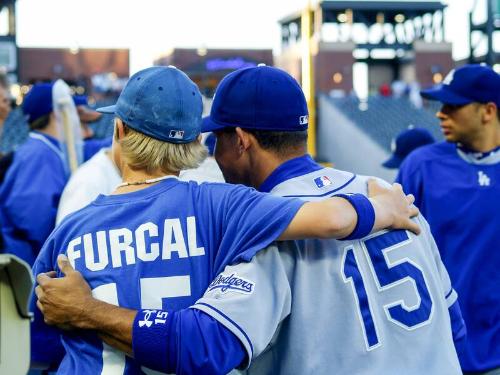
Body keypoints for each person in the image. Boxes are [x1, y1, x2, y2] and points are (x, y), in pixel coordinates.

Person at [32, 66, 419, 374]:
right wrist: (384, 208)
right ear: (192, 143)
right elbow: (333, 220)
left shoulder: (70, 230)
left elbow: (41, 334)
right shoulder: (220, 205)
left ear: (119, 130)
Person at [396, 64, 500, 375]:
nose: (441, 114)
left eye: (454, 106)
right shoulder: (421, 165)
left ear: (488, 111)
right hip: (438, 348)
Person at [0, 83, 70, 265]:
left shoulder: (44, 148)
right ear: (55, 113)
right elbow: (33, 219)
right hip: (28, 261)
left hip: (30, 257)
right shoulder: (40, 153)